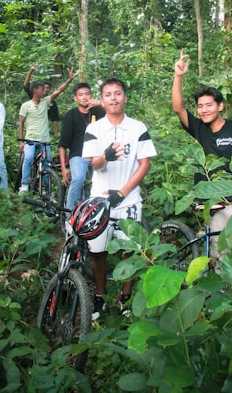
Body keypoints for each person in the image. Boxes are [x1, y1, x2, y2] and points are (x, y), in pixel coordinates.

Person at [172, 48, 232, 258]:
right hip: (212, 204)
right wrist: (178, 76)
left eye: (209, 105)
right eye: (200, 106)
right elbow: (178, 108)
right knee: (218, 256)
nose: (204, 110)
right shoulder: (200, 129)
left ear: (220, 106)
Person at [82, 78, 157, 318]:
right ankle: (100, 296)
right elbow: (94, 163)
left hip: (129, 200)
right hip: (100, 200)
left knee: (130, 251)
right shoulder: (94, 128)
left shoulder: (137, 128)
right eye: (108, 94)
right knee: (98, 253)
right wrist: (105, 156)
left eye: (118, 93)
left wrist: (123, 192)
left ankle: (125, 297)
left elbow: (144, 164)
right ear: (101, 100)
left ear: (125, 97)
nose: (113, 98)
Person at [18, 68, 75, 193]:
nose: (45, 91)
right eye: (41, 89)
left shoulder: (46, 102)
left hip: (44, 140)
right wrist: (21, 141)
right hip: (30, 139)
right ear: (35, 90)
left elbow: (59, 91)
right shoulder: (26, 106)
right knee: (27, 159)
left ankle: (46, 188)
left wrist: (69, 80)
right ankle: (24, 185)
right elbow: (21, 123)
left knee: (47, 163)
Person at [59, 82, 105, 210]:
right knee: (78, 179)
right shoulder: (70, 116)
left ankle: (98, 214)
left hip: (98, 155)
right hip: (79, 155)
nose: (84, 97)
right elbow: (62, 145)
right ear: (75, 98)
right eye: (80, 95)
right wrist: (64, 168)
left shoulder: (99, 112)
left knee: (102, 182)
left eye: (87, 94)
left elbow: (115, 111)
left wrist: (100, 103)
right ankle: (69, 214)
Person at [23, 65, 60, 140]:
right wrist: (31, 71)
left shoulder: (50, 101)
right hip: (32, 130)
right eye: (44, 88)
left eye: (48, 88)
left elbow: (55, 117)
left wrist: (56, 131)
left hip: (43, 131)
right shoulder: (34, 97)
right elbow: (26, 85)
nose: (46, 90)